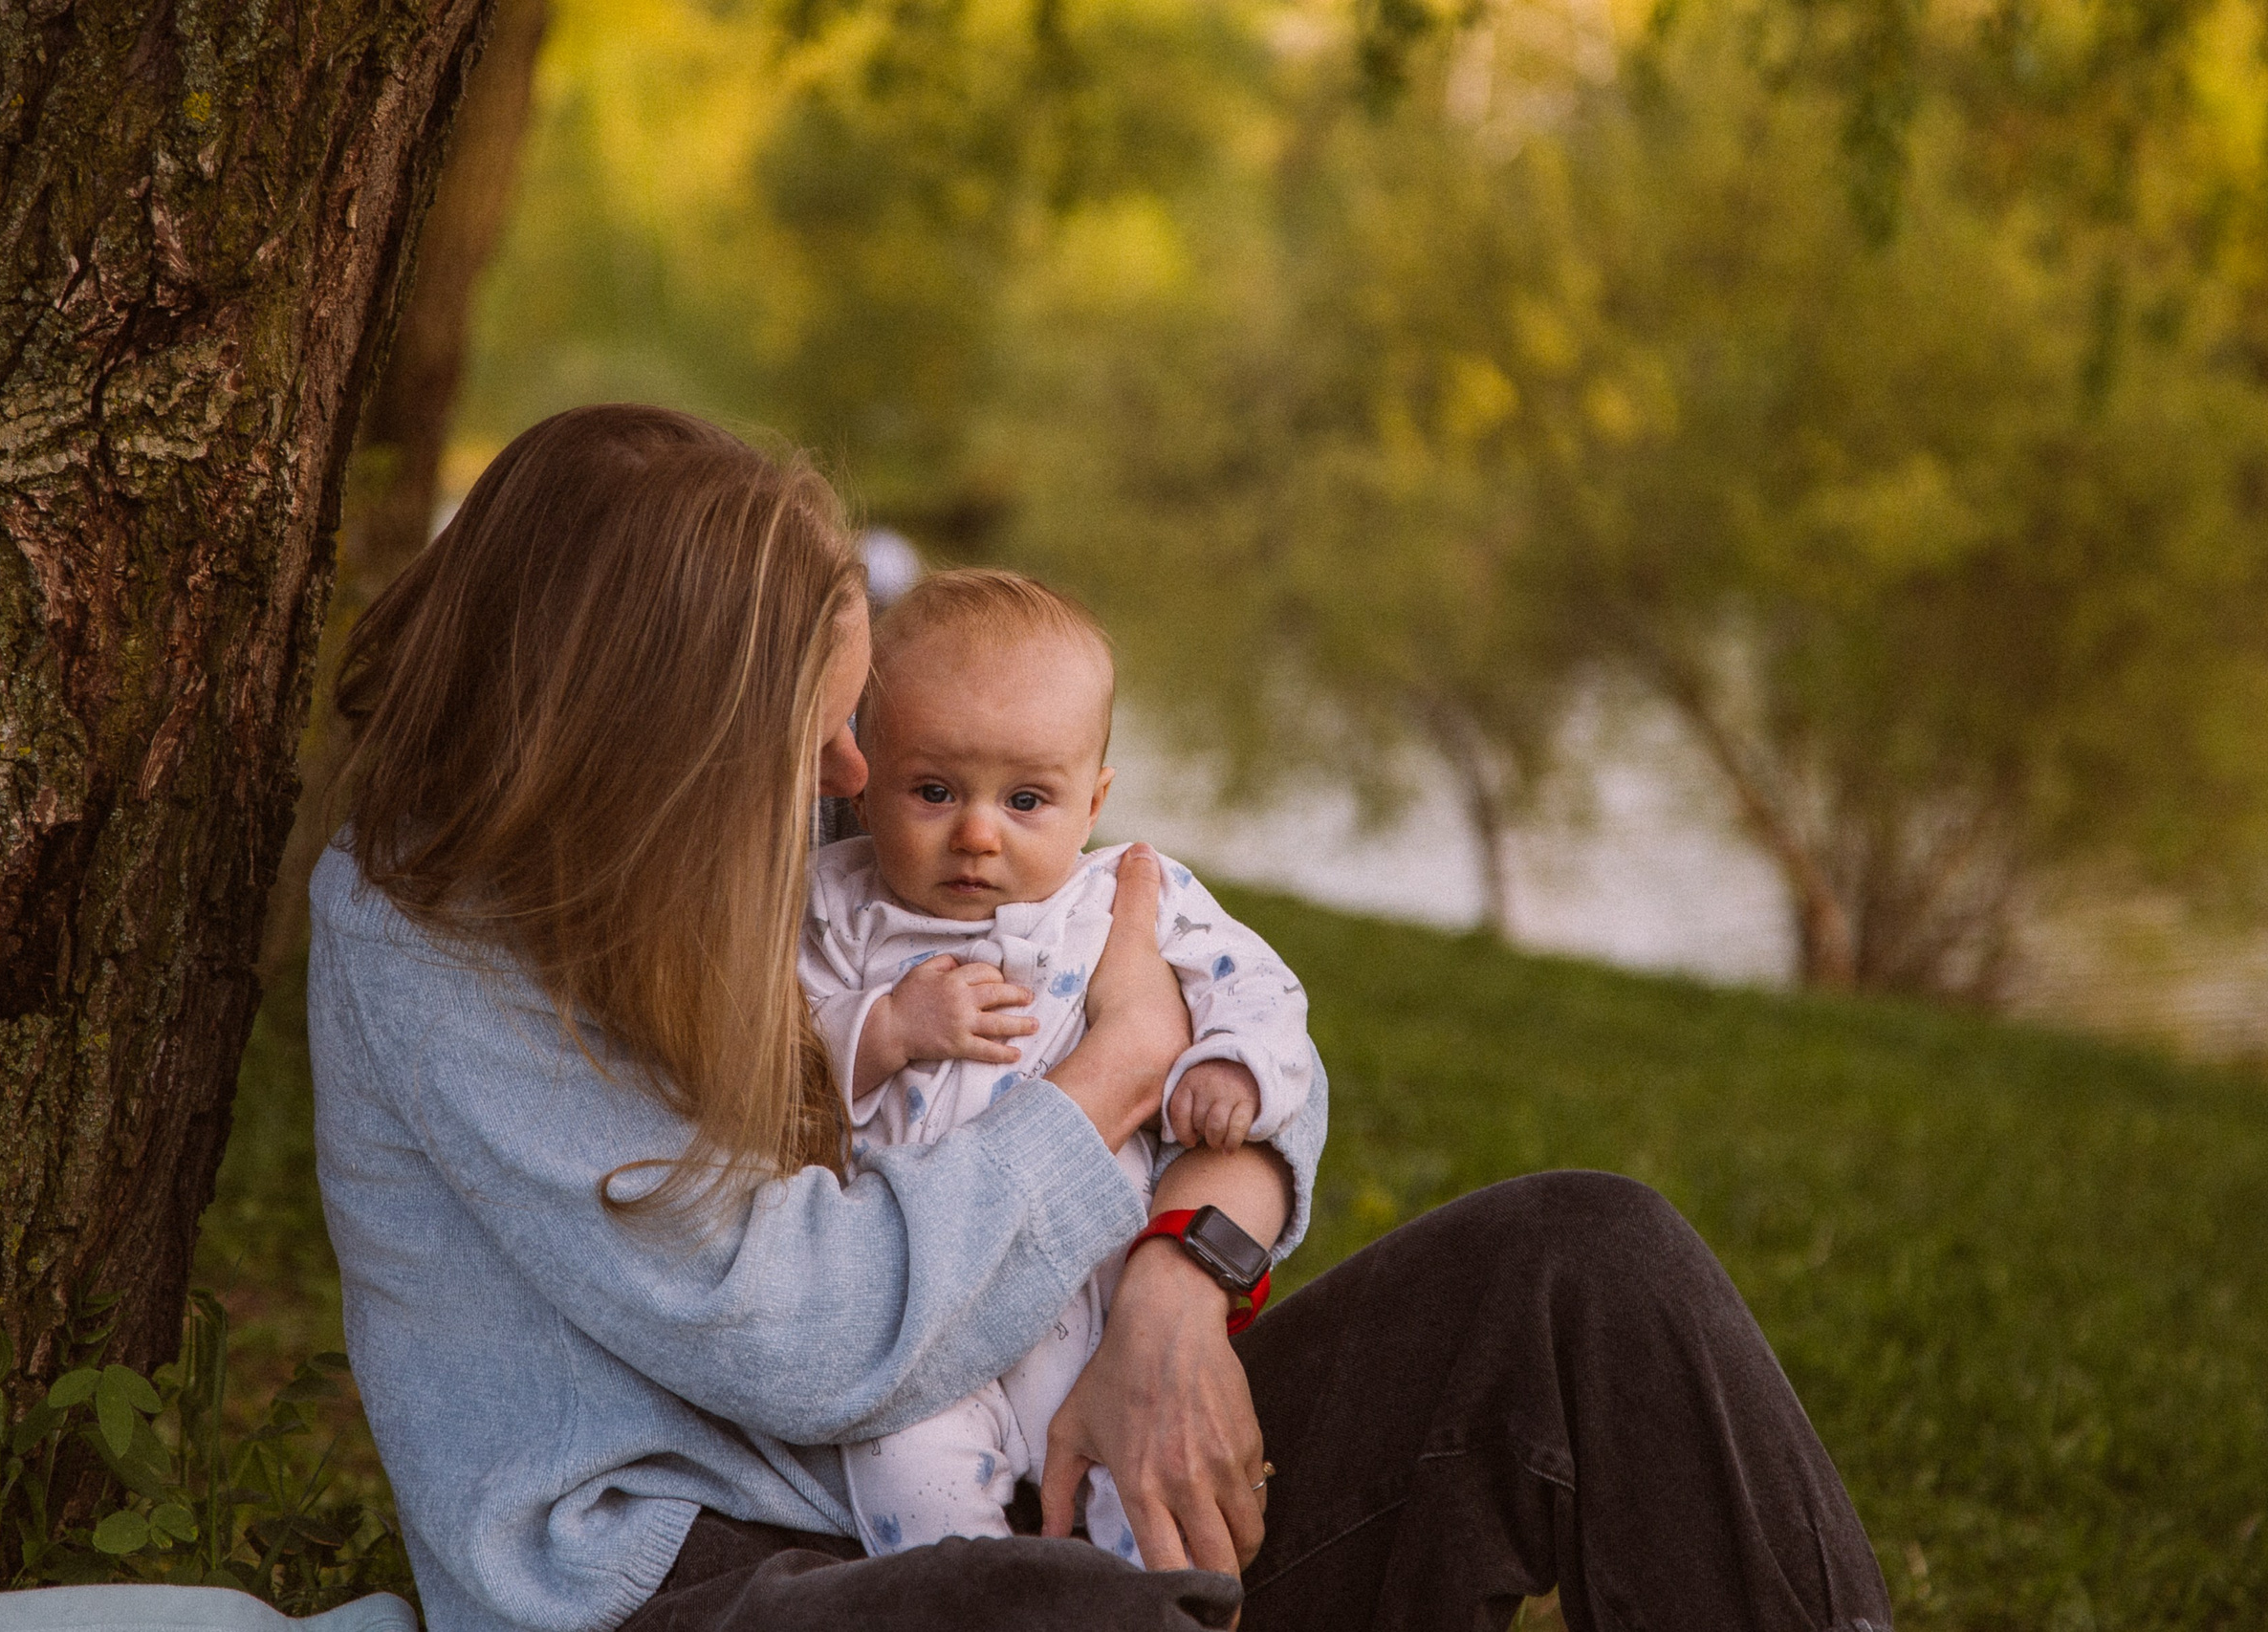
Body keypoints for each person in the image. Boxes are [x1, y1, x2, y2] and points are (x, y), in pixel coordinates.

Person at [310, 403, 1895, 1632]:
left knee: (1586, 1266)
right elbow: (809, 1332)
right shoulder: (433, 943)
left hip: (1043, 1469)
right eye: (818, 731)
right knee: (1069, 1613)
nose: (854, 779)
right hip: (705, 1586)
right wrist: (1112, 1072)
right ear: (659, 737)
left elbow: (1242, 1054)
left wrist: (1176, 1287)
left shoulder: (779, 843)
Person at [799, 569, 1316, 1563]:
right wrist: (885, 1027)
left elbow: (1255, 985)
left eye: (1027, 799)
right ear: (866, 782)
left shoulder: (1124, 895)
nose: (977, 833)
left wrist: (1237, 1067)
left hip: (1093, 1302)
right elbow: (776, 1062)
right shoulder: (835, 907)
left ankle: (1149, 1598)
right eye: (933, 791)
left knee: (1137, 1470)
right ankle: (975, 1591)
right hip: (920, 1318)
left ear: (1094, 801)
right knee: (908, 1472)